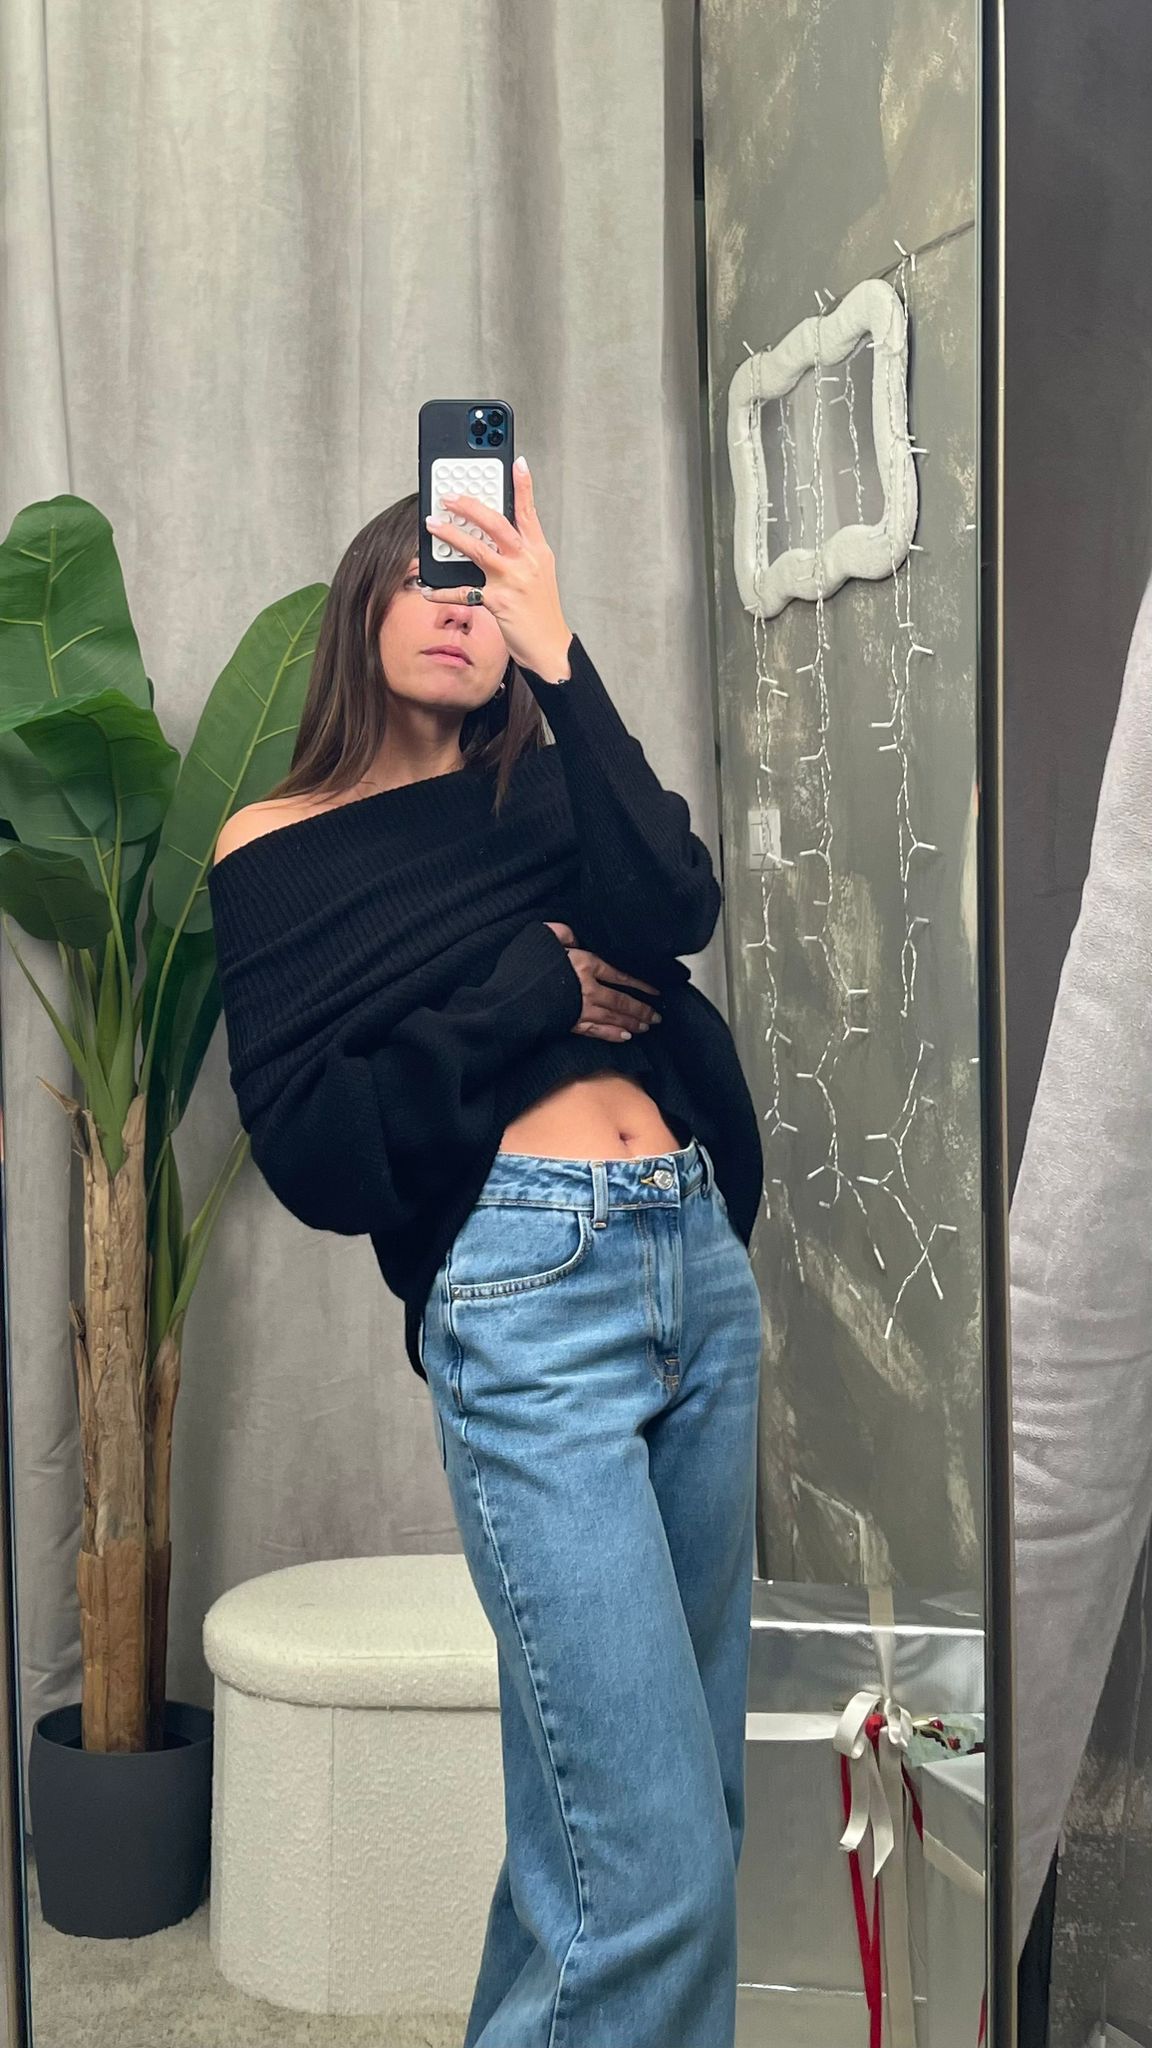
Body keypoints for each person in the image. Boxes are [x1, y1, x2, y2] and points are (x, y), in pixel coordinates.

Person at [208, 453, 766, 2048]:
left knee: (648, 1830)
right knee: (650, 1871)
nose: (457, 610)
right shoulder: (278, 843)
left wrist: (562, 655)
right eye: (428, 576)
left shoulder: (551, 795)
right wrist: (530, 989)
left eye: (484, 588)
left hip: (697, 1272)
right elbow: (319, 1146)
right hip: (531, 1296)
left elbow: (675, 899)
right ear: (360, 608)